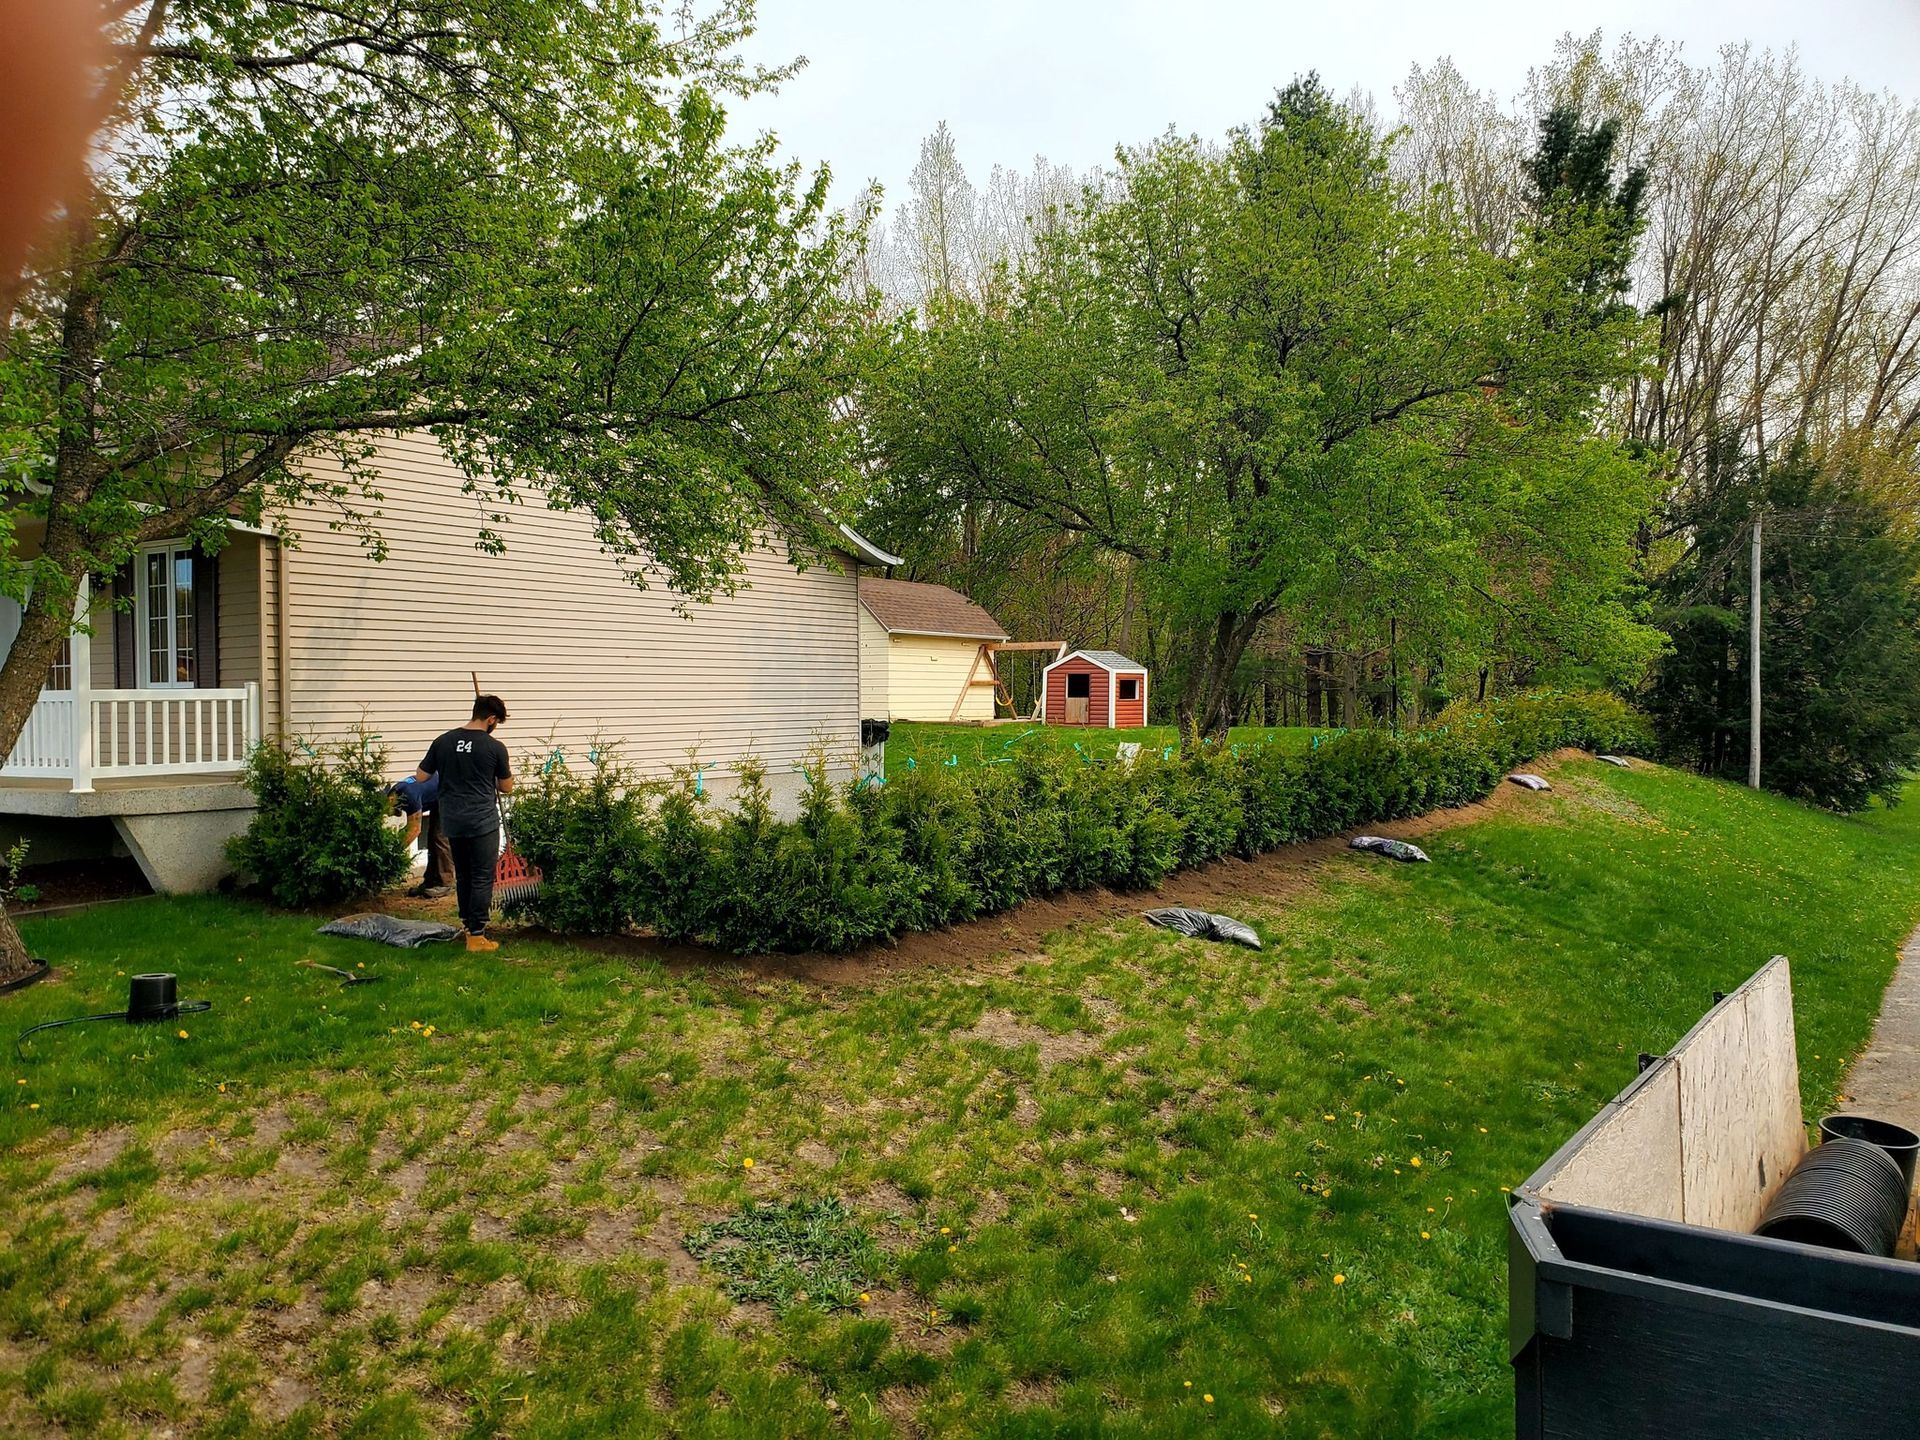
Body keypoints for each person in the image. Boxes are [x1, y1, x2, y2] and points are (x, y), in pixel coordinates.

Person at [416, 695, 514, 952]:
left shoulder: (443, 741)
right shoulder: (494, 747)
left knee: (465, 876)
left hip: (453, 819)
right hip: (482, 821)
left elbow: (421, 775)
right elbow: (506, 787)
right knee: (482, 876)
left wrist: (452, 769)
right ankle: (477, 936)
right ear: (491, 719)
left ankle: (468, 927)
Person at [387, 774, 454, 898]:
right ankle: (430, 882)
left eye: (387, 810)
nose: (388, 814)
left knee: (440, 838)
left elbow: (414, 830)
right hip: (438, 793)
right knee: (431, 838)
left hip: (449, 794)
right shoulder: (398, 791)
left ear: (390, 799)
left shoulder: (409, 796)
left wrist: (394, 854)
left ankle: (445, 883)